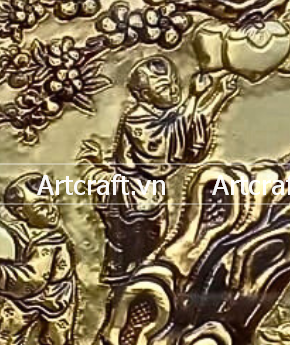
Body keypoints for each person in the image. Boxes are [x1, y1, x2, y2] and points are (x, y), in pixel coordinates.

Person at [90, 57, 237, 282]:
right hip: (132, 200)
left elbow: (191, 124)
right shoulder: (136, 121)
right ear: (144, 95)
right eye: (163, 88)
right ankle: (127, 290)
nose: (174, 91)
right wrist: (194, 97)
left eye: (174, 83)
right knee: (134, 259)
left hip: (151, 197)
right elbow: (164, 148)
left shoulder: (163, 115)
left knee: (152, 251)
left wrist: (220, 95)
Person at [0, 173, 80, 345]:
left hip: (50, 296)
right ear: (21, 212)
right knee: (15, 327)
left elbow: (34, 279)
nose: (52, 210)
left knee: (52, 335)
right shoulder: (21, 233)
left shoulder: (49, 242)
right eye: (41, 206)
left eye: (52, 202)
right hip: (34, 294)